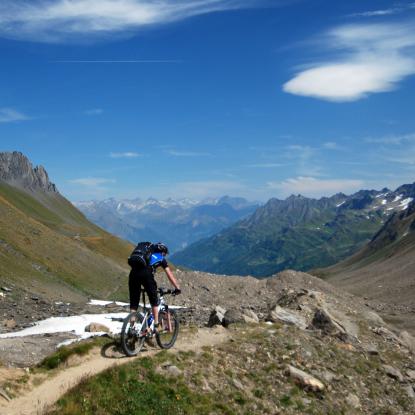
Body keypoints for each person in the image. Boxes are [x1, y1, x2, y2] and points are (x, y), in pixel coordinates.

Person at [128, 242, 181, 332]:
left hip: (133, 274)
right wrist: (177, 287)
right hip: (146, 275)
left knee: (134, 304)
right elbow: (170, 275)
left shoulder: (146, 253)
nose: (164, 255)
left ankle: (131, 328)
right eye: (164, 253)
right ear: (162, 251)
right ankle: (156, 326)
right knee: (154, 300)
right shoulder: (161, 258)